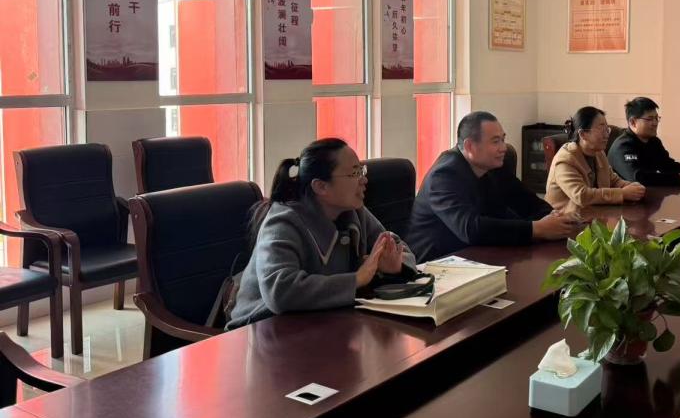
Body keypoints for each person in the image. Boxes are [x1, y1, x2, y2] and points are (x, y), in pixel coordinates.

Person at [225, 138, 416, 329]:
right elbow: (280, 291)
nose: (364, 180)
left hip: (324, 322)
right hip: (261, 329)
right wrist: (357, 279)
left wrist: (393, 265)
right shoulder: (283, 222)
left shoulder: (353, 211)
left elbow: (401, 249)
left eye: (362, 171)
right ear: (321, 186)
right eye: (355, 173)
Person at [406, 111, 580, 261]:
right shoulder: (444, 175)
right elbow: (470, 229)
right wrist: (536, 229)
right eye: (495, 141)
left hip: (479, 256)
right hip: (435, 266)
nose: (503, 148)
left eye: (503, 140)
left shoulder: (494, 165)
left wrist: (553, 217)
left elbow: (526, 201)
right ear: (469, 146)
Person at [545, 106, 646, 212]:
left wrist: (633, 187)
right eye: (602, 129)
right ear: (583, 134)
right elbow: (581, 195)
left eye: (607, 129)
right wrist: (623, 194)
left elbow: (614, 181)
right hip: (564, 218)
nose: (607, 135)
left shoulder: (599, 153)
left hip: (593, 215)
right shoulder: (565, 160)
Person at [608, 97, 680, 186]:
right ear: (633, 122)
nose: (655, 123)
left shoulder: (653, 141)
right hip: (625, 197)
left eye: (656, 118)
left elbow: (667, 165)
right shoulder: (623, 147)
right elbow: (638, 178)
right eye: (649, 119)